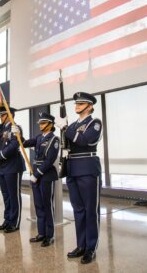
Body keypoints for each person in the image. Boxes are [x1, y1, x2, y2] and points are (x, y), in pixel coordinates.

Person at [56, 92, 102, 264]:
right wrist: (64, 129)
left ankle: (91, 248)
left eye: (81, 103)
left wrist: (66, 129)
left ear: (89, 106)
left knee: (91, 210)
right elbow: (67, 143)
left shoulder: (94, 123)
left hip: (88, 168)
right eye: (76, 103)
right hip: (73, 169)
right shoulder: (74, 124)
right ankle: (81, 245)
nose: (77, 105)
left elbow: (85, 141)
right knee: (79, 211)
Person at [21, 112, 59, 247]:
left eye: (43, 123)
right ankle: (41, 233)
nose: (41, 125)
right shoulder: (38, 137)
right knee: (38, 206)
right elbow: (24, 143)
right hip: (35, 174)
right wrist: (18, 134)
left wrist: (37, 175)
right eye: (40, 123)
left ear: (50, 124)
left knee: (47, 206)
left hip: (46, 175)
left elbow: (49, 160)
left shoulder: (54, 140)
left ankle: (49, 235)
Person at [0, 106, 26, 233]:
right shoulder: (1, 128)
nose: (1, 117)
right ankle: (7, 220)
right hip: (2, 166)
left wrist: (1, 154)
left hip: (13, 164)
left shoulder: (16, 127)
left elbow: (15, 144)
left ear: (10, 115)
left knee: (13, 195)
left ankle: (15, 222)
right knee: (6, 195)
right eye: (0, 115)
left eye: (3, 115)